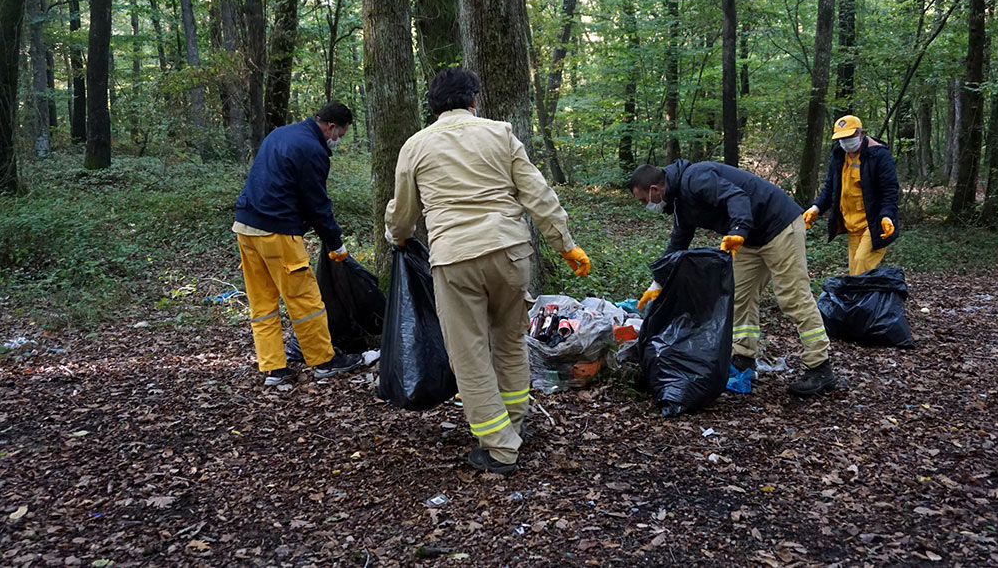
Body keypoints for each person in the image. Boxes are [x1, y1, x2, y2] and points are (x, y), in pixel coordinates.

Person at [384, 67, 592, 475]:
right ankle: (514, 424)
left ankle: (499, 448)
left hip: (455, 258)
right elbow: (539, 194)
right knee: (511, 340)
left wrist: (398, 236)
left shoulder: (416, 146)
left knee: (470, 353)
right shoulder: (500, 134)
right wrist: (566, 245)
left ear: (434, 104)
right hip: (510, 253)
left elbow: (403, 213)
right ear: (474, 100)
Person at [630, 160, 838, 396]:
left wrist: (737, 231)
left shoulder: (696, 178)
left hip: (779, 226)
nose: (645, 205)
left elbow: (736, 197)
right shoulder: (680, 201)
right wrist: (657, 282)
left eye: (643, 200)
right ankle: (743, 357)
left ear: (655, 190)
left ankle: (820, 367)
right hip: (750, 237)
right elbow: (679, 241)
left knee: (793, 298)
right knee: (739, 296)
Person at [233, 101, 365, 386]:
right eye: (339, 134)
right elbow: (317, 204)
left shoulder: (280, 134)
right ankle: (324, 361)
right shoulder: (313, 150)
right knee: (304, 300)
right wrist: (335, 243)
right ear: (331, 127)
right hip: (276, 232)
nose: (337, 140)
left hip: (245, 227)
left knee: (262, 302)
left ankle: (273, 369)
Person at [803, 115, 900, 275]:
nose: (846, 141)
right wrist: (816, 207)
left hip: (875, 224)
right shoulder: (839, 156)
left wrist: (887, 216)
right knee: (855, 272)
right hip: (852, 224)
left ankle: (862, 298)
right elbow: (830, 188)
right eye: (842, 138)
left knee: (862, 263)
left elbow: (890, 192)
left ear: (861, 134)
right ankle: (863, 299)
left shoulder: (879, 157)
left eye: (849, 137)